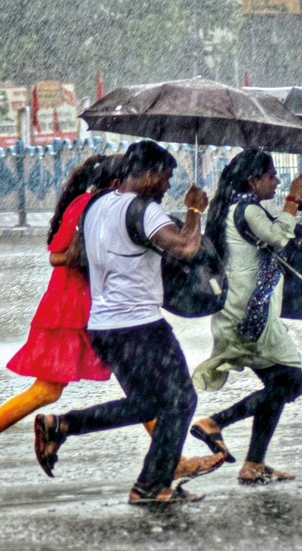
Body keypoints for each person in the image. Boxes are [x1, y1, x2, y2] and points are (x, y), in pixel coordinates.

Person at [0, 154, 222, 497]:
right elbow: (61, 254)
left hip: (93, 307)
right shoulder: (93, 205)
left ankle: (165, 464)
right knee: (54, 390)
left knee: (146, 395)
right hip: (80, 307)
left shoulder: (94, 203)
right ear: (116, 182)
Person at [33, 140, 213, 505]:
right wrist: (194, 211)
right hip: (140, 326)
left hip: (103, 327)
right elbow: (185, 247)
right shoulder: (143, 210)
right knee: (181, 400)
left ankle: (63, 426)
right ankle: (149, 486)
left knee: (150, 403)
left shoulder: (96, 206)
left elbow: (76, 257)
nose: (166, 187)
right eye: (165, 178)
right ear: (148, 174)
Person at [189, 148, 302, 485]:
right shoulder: (247, 209)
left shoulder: (232, 210)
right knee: (291, 381)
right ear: (253, 180)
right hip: (252, 317)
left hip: (240, 312)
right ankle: (216, 422)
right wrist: (294, 197)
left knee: (278, 387)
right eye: (271, 175)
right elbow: (279, 236)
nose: (277, 180)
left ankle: (254, 464)